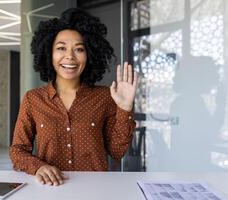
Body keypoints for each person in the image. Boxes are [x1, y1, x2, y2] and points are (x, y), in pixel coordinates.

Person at [9, 8, 138, 186]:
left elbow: (116, 151)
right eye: (61, 48)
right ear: (49, 53)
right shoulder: (33, 99)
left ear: (89, 55)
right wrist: (38, 167)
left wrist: (124, 109)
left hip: (96, 191)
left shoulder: (105, 97)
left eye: (79, 49)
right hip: (50, 191)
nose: (69, 56)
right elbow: (18, 150)